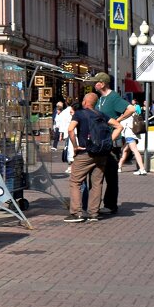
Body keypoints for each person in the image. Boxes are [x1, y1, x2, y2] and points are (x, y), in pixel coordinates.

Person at [65, 92, 120, 223]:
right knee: (97, 183)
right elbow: (119, 126)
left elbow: (70, 129)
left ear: (84, 102)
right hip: (101, 154)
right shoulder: (100, 114)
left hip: (86, 152)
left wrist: (75, 146)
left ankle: (77, 213)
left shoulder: (79, 113)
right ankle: (93, 213)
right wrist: (107, 142)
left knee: (75, 181)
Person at [92, 73, 134, 215]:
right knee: (97, 174)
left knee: (110, 175)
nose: (94, 84)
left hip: (111, 140)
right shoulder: (100, 99)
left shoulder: (113, 97)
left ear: (102, 84)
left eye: (96, 82)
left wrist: (118, 119)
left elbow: (131, 109)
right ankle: (94, 204)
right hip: (99, 140)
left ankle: (110, 205)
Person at [118, 101, 148, 175]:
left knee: (135, 151)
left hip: (129, 135)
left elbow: (122, 126)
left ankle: (142, 169)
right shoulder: (135, 113)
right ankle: (119, 167)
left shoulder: (126, 116)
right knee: (125, 150)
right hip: (135, 135)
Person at [53, 101, 74, 165]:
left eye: (71, 112)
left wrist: (61, 134)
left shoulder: (64, 112)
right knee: (69, 145)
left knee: (69, 146)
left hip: (68, 130)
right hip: (68, 130)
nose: (71, 113)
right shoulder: (64, 112)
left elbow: (62, 123)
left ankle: (70, 162)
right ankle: (69, 162)